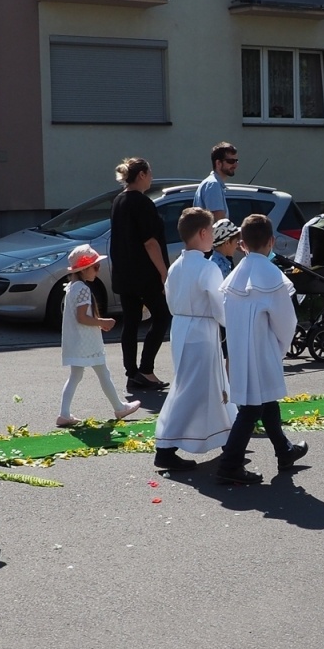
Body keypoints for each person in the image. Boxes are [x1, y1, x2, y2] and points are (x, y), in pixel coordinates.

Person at [215, 214, 307, 484]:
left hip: (241, 347)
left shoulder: (235, 275)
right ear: (272, 241)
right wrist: (280, 347)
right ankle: (230, 463)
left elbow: (226, 314)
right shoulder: (271, 275)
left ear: (242, 243)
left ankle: (284, 450)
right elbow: (286, 321)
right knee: (253, 407)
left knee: (264, 400)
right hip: (263, 347)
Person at [154, 209, 235, 470]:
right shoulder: (208, 267)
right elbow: (220, 307)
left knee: (213, 386)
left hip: (181, 328)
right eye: (212, 231)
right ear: (203, 233)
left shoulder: (176, 265)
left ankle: (230, 439)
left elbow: (169, 299)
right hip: (201, 332)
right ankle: (165, 447)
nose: (213, 236)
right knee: (191, 389)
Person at [56, 244, 141, 428]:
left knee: (76, 376)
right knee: (103, 373)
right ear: (85, 269)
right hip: (87, 342)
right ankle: (119, 407)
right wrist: (102, 322)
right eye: (95, 267)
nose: (98, 270)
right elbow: (82, 317)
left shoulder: (72, 287)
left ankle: (64, 413)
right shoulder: (83, 289)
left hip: (76, 340)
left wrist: (98, 322)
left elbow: (78, 316)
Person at [109, 157, 171, 390]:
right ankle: (145, 370)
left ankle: (132, 372)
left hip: (124, 272)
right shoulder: (143, 203)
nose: (152, 178)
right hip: (144, 273)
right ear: (142, 175)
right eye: (150, 173)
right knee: (162, 316)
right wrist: (163, 273)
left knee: (132, 321)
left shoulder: (118, 201)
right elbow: (150, 243)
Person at [194, 142, 238, 223]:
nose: (235, 165)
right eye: (231, 161)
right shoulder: (213, 185)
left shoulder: (213, 184)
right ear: (218, 163)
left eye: (236, 161)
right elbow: (220, 225)